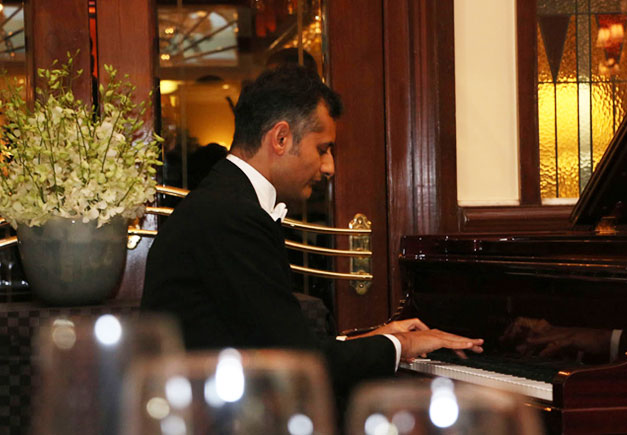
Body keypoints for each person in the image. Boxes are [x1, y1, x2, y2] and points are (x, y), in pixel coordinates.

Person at [141, 65, 483, 401]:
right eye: (323, 148)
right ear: (280, 138)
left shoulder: (226, 201)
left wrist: (375, 336)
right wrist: (402, 345)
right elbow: (299, 363)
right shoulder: (232, 216)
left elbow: (274, 338)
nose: (329, 166)